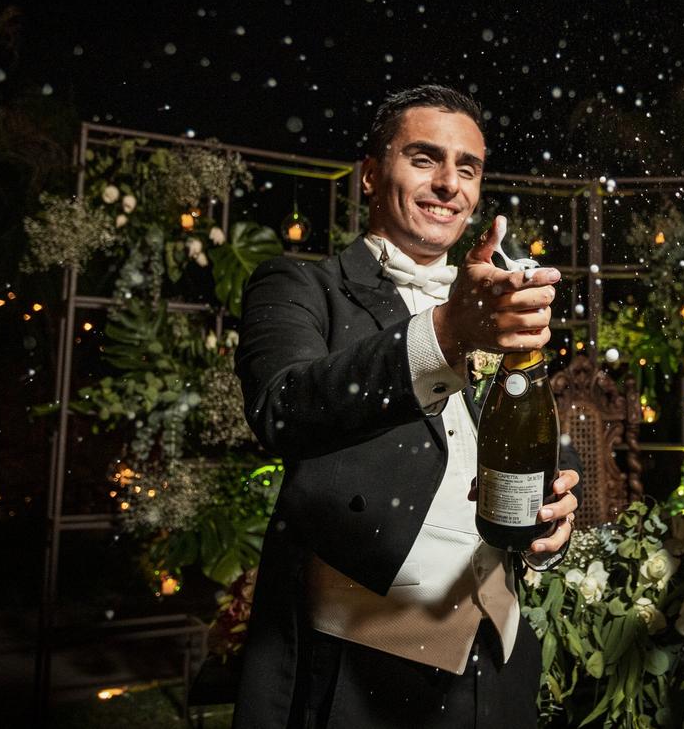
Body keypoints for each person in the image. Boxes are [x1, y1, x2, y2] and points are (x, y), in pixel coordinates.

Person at [232, 85, 582, 729]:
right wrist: (447, 331)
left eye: (468, 168)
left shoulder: (497, 305)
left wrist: (547, 520)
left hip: (499, 658)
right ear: (371, 174)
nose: (450, 183)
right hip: (360, 668)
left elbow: (534, 443)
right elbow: (283, 408)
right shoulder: (302, 285)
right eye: (424, 159)